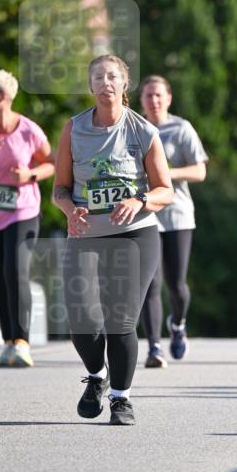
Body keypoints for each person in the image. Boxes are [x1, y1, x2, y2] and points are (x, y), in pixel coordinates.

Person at [53, 55, 173, 425]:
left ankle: (121, 399)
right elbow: (59, 189)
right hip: (86, 234)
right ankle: (97, 376)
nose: (105, 82)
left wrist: (140, 200)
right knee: (82, 319)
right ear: (90, 85)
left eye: (112, 77)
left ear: (124, 84)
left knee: (120, 320)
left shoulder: (142, 131)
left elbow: (165, 190)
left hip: (135, 235)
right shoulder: (73, 129)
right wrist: (70, 210)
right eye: (98, 77)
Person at [139, 75, 208, 367]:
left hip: (178, 214)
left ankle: (177, 324)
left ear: (168, 98)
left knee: (177, 285)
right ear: (141, 101)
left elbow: (200, 171)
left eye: (159, 95)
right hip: (146, 214)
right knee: (150, 283)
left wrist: (166, 174)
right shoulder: (134, 128)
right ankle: (154, 347)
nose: (154, 100)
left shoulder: (181, 129)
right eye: (148, 95)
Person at [0, 69, 55, 367]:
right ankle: (8, 342)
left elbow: (51, 163)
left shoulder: (28, 130)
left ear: (3, 97)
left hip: (22, 211)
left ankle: (22, 342)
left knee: (15, 270)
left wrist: (29, 174)